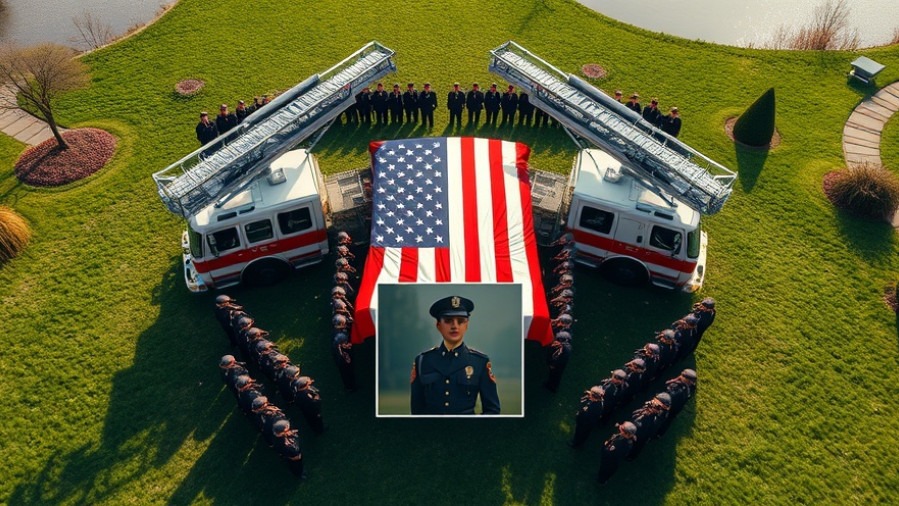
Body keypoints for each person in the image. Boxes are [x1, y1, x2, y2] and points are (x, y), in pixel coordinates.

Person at [410, 296, 500, 415]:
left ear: (466, 325)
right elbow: (417, 412)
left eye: (460, 321)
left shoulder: (479, 362)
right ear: (438, 325)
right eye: (448, 320)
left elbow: (492, 411)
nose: (455, 326)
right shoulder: (423, 361)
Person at [628, 392, 671, 458]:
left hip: (642, 435)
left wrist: (650, 413)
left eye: (657, 405)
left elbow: (647, 428)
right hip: (639, 428)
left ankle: (631, 456)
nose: (653, 403)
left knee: (637, 445)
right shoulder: (654, 408)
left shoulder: (658, 417)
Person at [657, 369, 697, 436]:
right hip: (676, 407)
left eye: (683, 376)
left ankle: (659, 433)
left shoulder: (679, 389)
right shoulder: (688, 387)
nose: (681, 376)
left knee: (665, 419)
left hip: (671, 407)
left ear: (688, 380)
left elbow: (669, 396)